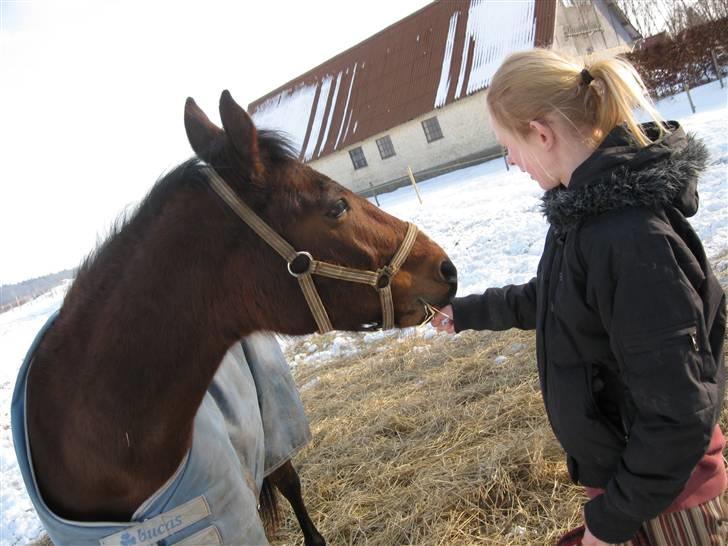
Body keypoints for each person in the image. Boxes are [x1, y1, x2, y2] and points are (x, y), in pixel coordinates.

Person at [432, 48, 727, 545]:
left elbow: (679, 415)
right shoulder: (584, 214)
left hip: (669, 501)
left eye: (510, 145)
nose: (511, 161)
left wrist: (610, 523)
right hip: (635, 485)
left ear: (541, 133)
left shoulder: (629, 238)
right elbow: (552, 298)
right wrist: (465, 312)